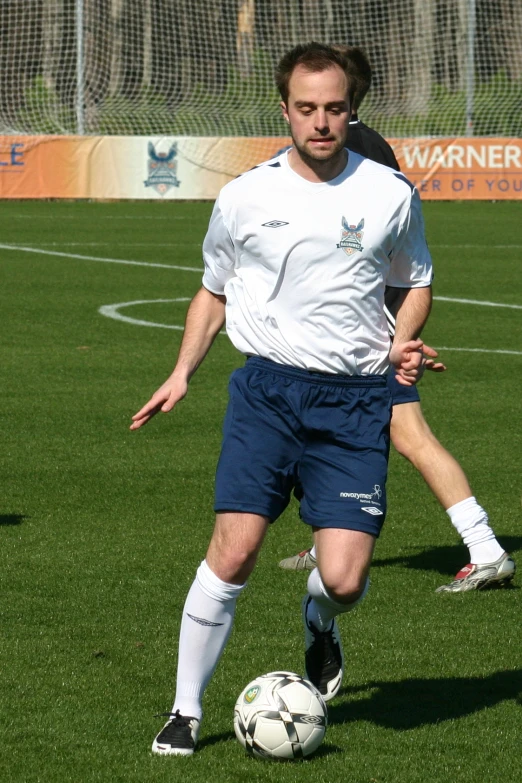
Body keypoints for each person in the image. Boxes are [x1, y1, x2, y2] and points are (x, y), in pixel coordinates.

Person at [131, 41, 436, 756]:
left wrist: (403, 339)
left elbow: (414, 278)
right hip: (267, 393)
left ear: (350, 110)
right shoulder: (244, 196)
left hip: (356, 401)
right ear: (285, 110)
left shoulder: (389, 193)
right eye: (307, 109)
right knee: (234, 552)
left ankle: (320, 618)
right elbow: (213, 290)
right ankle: (185, 709)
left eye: (334, 109)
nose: (321, 122)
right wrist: (182, 371)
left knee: (345, 578)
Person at [278, 46, 516, 594]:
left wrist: (396, 333)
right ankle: (327, 541)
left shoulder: (356, 154)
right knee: (327, 433)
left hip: (366, 331)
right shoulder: (364, 145)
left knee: (409, 435)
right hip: (360, 327)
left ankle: (484, 548)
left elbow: (384, 255)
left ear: (346, 95)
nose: (318, 116)